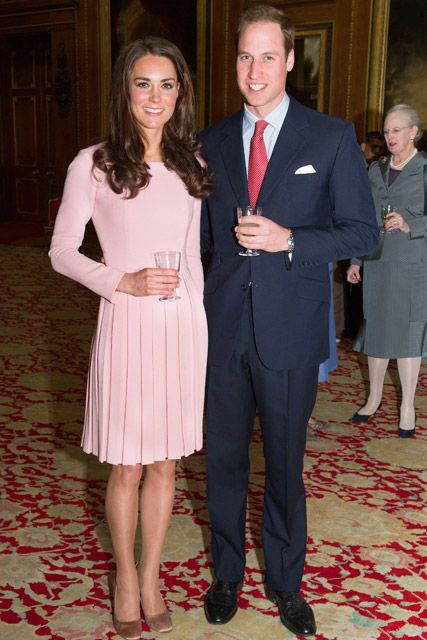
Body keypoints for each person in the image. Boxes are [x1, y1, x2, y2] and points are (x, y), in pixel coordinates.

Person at [200, 4, 378, 638]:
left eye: (268, 55)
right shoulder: (211, 141)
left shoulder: (328, 137)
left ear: (291, 60)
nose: (255, 69)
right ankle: (226, 575)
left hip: (291, 331)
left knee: (283, 463)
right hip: (220, 328)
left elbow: (364, 232)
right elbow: (197, 236)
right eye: (246, 55)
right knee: (222, 460)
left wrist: (289, 239)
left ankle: (285, 581)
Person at [49, 37, 213, 639]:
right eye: (143, 83)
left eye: (167, 84)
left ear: (181, 94)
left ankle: (151, 577)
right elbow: (62, 252)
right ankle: (123, 576)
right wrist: (123, 281)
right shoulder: (93, 162)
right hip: (125, 324)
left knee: (166, 466)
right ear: (125, 89)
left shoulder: (193, 163)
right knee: (125, 468)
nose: (155, 96)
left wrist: (199, 327)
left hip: (179, 330)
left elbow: (193, 260)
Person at [347, 104, 427, 438]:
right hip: (378, 263)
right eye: (387, 130)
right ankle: (374, 398)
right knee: (377, 331)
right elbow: (363, 220)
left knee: (409, 334)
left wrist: (412, 223)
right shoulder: (375, 171)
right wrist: (355, 260)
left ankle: (407, 405)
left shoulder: (424, 169)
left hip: (412, 264)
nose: (390, 137)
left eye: (397, 130)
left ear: (413, 132)